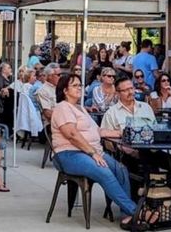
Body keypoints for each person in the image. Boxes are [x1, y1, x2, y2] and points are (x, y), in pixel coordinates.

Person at [51, 73, 153, 230]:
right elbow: (72, 135)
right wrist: (93, 153)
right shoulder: (62, 108)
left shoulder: (80, 108)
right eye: (75, 85)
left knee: (121, 170)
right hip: (69, 153)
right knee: (104, 171)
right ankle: (136, 212)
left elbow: (98, 130)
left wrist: (121, 132)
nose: (79, 88)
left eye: (80, 85)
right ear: (65, 90)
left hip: (89, 152)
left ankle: (127, 217)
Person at [102, 76, 171, 197]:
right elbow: (106, 141)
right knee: (141, 166)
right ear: (118, 93)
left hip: (151, 151)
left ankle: (165, 196)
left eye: (131, 88)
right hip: (127, 155)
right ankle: (140, 205)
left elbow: (155, 129)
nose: (130, 92)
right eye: (125, 90)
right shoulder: (111, 113)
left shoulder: (145, 107)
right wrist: (121, 144)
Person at [0, 62, 14, 132]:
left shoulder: (9, 79)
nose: (11, 69)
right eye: (9, 68)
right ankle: (10, 129)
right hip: (3, 103)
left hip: (8, 101)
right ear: (3, 70)